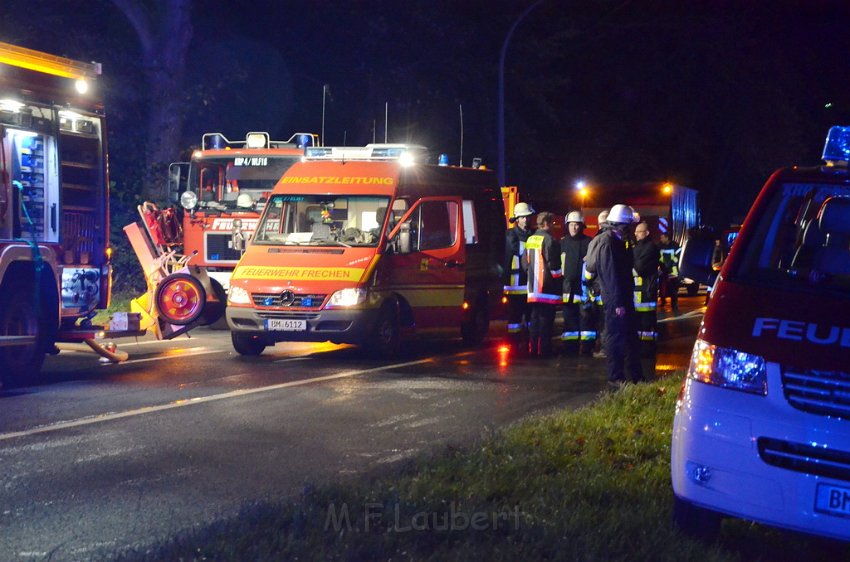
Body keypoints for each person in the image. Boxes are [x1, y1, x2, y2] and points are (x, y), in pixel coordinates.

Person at [588, 204, 644, 386]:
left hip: (623, 298)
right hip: (616, 301)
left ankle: (636, 376)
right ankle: (616, 377)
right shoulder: (607, 242)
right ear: (623, 224)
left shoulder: (618, 240)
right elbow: (610, 275)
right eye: (629, 225)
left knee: (629, 338)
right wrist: (618, 302)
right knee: (616, 338)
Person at [524, 212, 562, 357]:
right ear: (546, 223)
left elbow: (524, 264)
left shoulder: (530, 239)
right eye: (552, 223)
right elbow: (554, 268)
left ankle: (533, 348)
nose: (553, 226)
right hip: (547, 288)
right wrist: (560, 280)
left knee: (534, 320)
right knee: (547, 321)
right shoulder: (550, 240)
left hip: (533, 288)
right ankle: (545, 349)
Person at [560, 211, 593, 355]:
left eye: (577, 225)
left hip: (584, 287)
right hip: (567, 287)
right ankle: (570, 347)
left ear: (582, 226)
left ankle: (587, 347)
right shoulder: (562, 243)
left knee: (586, 317)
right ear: (567, 226)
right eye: (571, 225)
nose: (574, 228)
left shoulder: (588, 243)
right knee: (569, 317)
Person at [503, 202, 535, 345]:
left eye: (528, 217)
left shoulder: (533, 233)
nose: (526, 220)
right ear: (517, 218)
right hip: (514, 284)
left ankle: (529, 340)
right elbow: (520, 250)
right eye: (523, 217)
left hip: (529, 283)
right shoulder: (510, 234)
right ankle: (513, 343)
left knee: (530, 315)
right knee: (514, 316)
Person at [632, 221, 660, 356]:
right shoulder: (638, 247)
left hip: (647, 293)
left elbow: (639, 268)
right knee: (637, 324)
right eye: (636, 231)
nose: (635, 234)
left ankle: (648, 350)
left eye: (639, 231)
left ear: (647, 233)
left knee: (647, 324)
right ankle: (639, 349)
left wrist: (629, 264)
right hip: (638, 293)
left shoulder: (650, 248)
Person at [584, 209, 608, 358]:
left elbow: (590, 266)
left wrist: (587, 280)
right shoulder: (620, 238)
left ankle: (604, 349)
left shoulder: (597, 240)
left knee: (602, 322)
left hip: (599, 289)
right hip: (612, 289)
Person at [659, 232, 681, 311]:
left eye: (662, 237)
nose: (661, 239)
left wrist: (670, 264)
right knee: (662, 287)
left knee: (673, 289)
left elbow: (678, 257)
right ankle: (663, 301)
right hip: (663, 270)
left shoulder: (675, 246)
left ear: (667, 237)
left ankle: (674, 304)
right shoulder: (660, 246)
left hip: (673, 271)